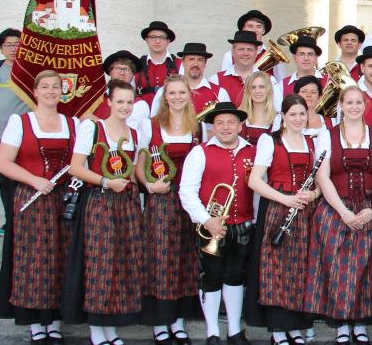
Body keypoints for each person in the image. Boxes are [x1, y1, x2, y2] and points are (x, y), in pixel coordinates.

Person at [0, 70, 77, 344]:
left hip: (63, 201)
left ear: (62, 91)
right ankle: (35, 325)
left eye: (56, 87)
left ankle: (54, 322)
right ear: (35, 91)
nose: (51, 91)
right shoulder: (20, 122)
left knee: (61, 260)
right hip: (32, 200)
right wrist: (35, 180)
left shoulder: (73, 123)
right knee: (34, 262)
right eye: (45, 87)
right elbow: (2, 162)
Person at [66, 80, 145, 345]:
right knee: (101, 265)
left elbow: (132, 173)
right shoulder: (93, 127)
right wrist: (106, 182)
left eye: (129, 102)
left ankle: (111, 329)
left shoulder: (134, 133)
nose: (125, 107)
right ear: (109, 102)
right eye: (119, 101)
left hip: (126, 205)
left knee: (121, 266)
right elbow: (76, 167)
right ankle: (96, 331)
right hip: (100, 201)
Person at [307, 86, 372, 344]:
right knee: (337, 267)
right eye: (349, 102)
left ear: (365, 105)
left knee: (366, 267)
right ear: (340, 105)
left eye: (358, 102)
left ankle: (360, 322)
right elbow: (322, 177)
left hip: (369, 208)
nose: (354, 107)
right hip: (336, 208)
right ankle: (341, 323)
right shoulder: (327, 135)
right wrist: (343, 212)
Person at [179, 101, 258, 345]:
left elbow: (258, 190)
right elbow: (186, 191)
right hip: (210, 227)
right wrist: (207, 220)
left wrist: (254, 219)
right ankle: (212, 332)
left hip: (243, 225)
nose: (225, 127)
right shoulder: (199, 152)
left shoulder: (252, 151)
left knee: (235, 276)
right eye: (220, 123)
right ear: (212, 127)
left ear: (240, 125)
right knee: (211, 277)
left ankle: (234, 331)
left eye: (231, 122)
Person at [245, 95, 319, 344]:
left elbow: (320, 183)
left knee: (299, 269)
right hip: (277, 209)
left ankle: (294, 327)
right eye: (293, 114)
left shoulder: (312, 141)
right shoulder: (270, 140)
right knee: (275, 268)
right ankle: (278, 329)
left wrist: (312, 194)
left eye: (302, 114)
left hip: (303, 212)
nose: (298, 119)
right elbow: (254, 181)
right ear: (283, 117)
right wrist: (285, 199)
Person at [136, 75, 202, 345]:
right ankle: (160, 323)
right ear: (165, 97)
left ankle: (178, 322)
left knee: (185, 260)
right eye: (172, 93)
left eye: (181, 93)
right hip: (161, 200)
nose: (177, 97)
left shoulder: (197, 126)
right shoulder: (150, 125)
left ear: (189, 96)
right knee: (161, 260)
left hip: (188, 200)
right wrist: (150, 186)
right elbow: (139, 166)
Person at [0, 28, 30, 238]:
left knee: (18, 180)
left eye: (17, 44)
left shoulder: (29, 70)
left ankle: (20, 221)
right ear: (1, 48)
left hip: (19, 136)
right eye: (8, 45)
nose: (13, 49)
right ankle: (9, 221)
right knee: (2, 181)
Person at [151, 43, 230, 123]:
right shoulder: (165, 91)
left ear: (205, 64)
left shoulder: (220, 93)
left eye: (200, 60)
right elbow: (155, 124)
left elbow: (227, 123)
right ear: (183, 62)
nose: (195, 64)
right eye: (191, 59)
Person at [211, 30, 283, 108]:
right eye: (241, 49)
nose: (245, 53)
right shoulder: (216, 80)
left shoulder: (270, 80)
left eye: (250, 49)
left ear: (256, 52)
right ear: (233, 52)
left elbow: (278, 110)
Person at [89, 50, 151, 127]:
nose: (122, 73)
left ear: (133, 74)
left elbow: (129, 131)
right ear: (110, 71)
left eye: (127, 69)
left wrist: (96, 120)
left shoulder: (139, 105)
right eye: (118, 68)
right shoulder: (96, 98)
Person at [223, 10, 285, 80]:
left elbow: (280, 82)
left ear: (263, 30)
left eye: (259, 26)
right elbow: (225, 80)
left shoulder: (275, 56)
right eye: (250, 26)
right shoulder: (229, 55)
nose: (254, 30)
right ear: (243, 29)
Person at [136, 21, 183, 104]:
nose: (157, 41)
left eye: (162, 37)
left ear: (168, 40)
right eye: (153, 37)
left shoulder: (180, 64)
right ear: (146, 40)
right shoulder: (137, 65)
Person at [238, 72, 280, 144]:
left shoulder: (278, 119)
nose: (257, 91)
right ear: (248, 91)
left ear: (268, 90)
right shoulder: (239, 117)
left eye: (261, 87)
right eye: (253, 87)